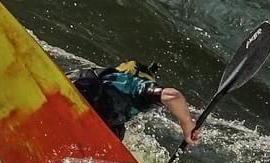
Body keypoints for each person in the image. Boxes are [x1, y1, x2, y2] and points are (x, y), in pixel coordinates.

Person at [68, 59, 201, 146]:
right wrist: (187, 125)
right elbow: (174, 96)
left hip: (77, 96)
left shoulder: (103, 74)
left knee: (118, 131)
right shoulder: (136, 86)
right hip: (88, 101)